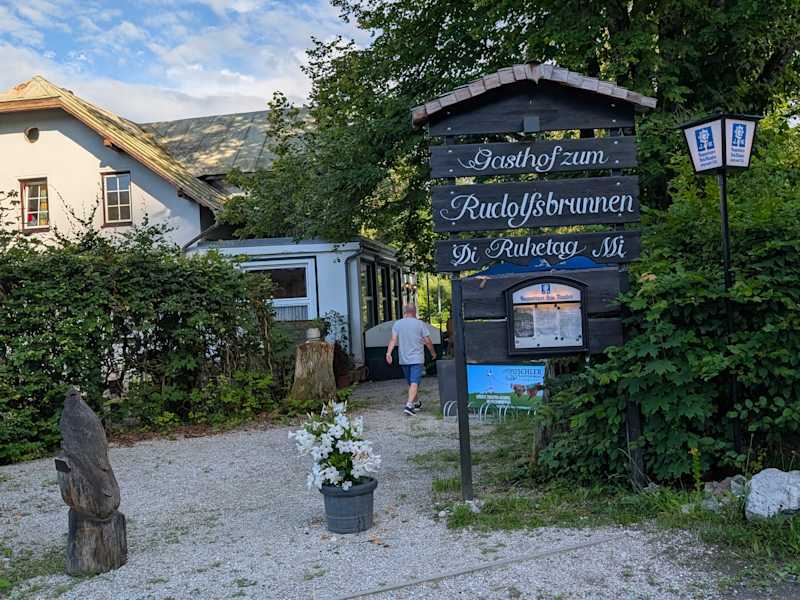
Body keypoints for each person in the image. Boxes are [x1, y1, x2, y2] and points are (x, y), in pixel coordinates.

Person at [386, 304, 437, 416]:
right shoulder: (420, 324)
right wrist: (433, 353)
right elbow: (428, 341)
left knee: (412, 383)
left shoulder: (398, 324)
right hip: (417, 358)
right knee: (413, 383)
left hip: (403, 358)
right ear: (415, 312)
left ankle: (415, 403)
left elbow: (393, 340)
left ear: (405, 312)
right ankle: (409, 406)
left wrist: (388, 353)